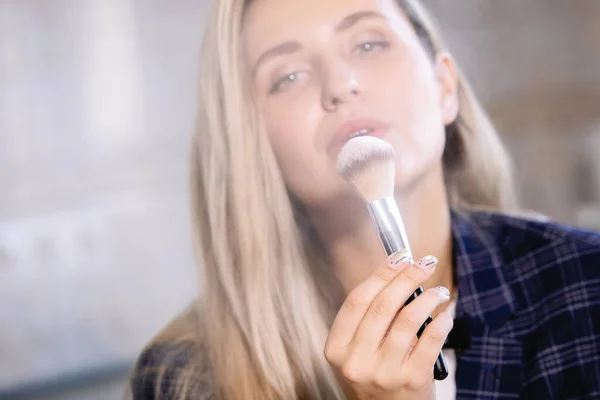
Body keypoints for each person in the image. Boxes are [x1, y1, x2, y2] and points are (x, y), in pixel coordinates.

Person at [128, 0, 600, 399]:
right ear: (253, 145)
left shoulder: (586, 284)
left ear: (445, 86)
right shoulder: (181, 376)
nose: (339, 86)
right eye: (287, 76)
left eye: (369, 44)